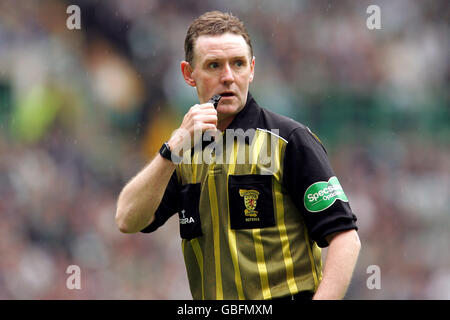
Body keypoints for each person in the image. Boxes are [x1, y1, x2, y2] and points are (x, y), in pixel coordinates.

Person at [115, 11, 361, 300]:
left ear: (252, 69)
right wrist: (172, 149)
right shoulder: (184, 153)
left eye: (238, 64)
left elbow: (346, 239)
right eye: (214, 65)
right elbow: (127, 220)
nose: (228, 77)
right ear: (188, 73)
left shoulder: (289, 140)